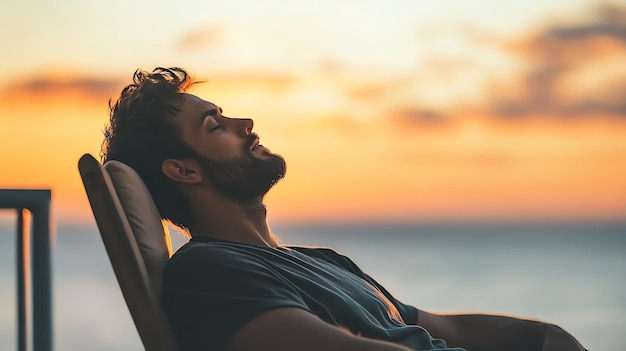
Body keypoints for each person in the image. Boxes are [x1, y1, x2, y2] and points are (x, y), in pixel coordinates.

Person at [101, 67, 588, 351]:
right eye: (215, 125)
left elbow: (446, 327)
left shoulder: (323, 262)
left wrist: (544, 336)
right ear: (183, 171)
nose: (245, 122)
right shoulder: (210, 271)